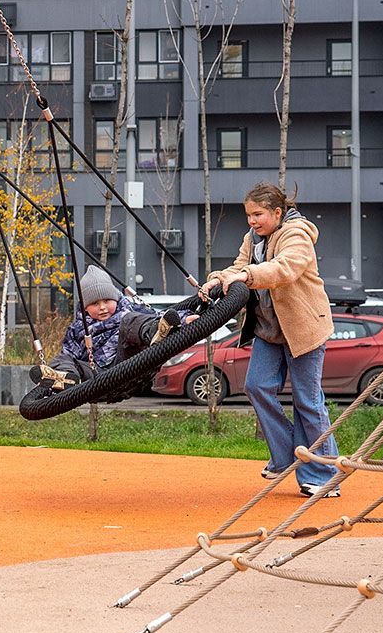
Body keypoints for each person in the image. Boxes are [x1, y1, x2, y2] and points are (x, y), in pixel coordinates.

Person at [205, 182, 340, 499]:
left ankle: (325, 475)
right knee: (256, 386)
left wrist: (246, 276)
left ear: (277, 212)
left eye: (258, 214)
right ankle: (285, 458)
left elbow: (284, 268)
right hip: (269, 330)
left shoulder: (297, 234)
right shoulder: (252, 238)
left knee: (308, 402)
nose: (252, 221)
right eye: (248, 215)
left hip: (303, 330)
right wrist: (217, 279)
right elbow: (238, 267)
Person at [31, 264, 176, 389]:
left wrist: (184, 318)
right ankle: (63, 379)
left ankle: (156, 331)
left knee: (130, 321)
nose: (102, 307)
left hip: (130, 364)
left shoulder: (129, 311)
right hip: (96, 376)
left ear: (116, 299)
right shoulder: (77, 329)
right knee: (62, 359)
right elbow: (69, 354)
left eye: (107, 301)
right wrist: (65, 366)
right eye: (95, 303)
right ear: (85, 307)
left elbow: (161, 315)